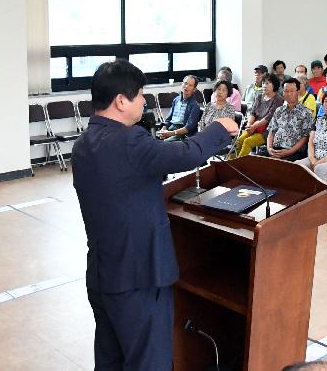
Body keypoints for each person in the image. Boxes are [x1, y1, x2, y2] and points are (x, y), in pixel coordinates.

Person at [71, 60, 236, 369]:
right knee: (148, 362)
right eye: (140, 94)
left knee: (110, 359)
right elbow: (186, 153)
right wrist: (218, 129)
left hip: (102, 275)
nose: (145, 100)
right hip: (139, 277)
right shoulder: (130, 141)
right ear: (121, 100)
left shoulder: (83, 145)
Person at [234, 74, 284, 157]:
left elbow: (269, 117)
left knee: (248, 142)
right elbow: (252, 112)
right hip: (254, 126)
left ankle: (238, 164)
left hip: (268, 130)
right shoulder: (259, 96)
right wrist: (249, 124)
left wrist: (254, 126)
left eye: (268, 83)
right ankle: (233, 161)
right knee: (240, 139)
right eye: (264, 83)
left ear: (274, 85)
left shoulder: (278, 99)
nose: (264, 85)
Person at [266, 78, 314, 161]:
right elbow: (271, 131)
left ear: (298, 92)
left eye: (292, 91)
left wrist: (290, 151)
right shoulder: (279, 110)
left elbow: (305, 137)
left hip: (294, 152)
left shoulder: (306, 113)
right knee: (254, 161)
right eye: (286, 91)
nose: (288, 94)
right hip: (275, 149)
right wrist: (269, 148)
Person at [158, 75, 201, 141]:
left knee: (165, 143)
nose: (186, 86)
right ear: (182, 84)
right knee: (151, 139)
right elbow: (168, 120)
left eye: (190, 85)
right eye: (185, 83)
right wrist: (163, 129)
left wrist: (171, 133)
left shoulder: (195, 106)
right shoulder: (176, 100)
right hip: (171, 127)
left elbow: (189, 127)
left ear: (194, 89)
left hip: (182, 132)